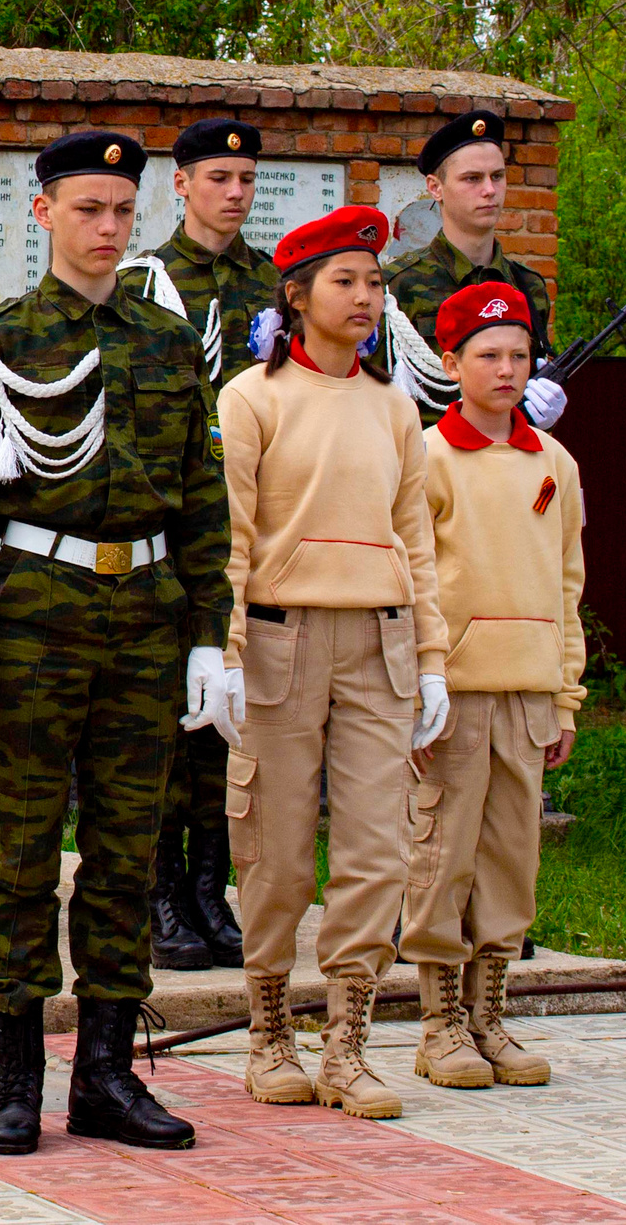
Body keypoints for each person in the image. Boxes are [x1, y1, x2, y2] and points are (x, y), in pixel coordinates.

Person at [0, 128, 233, 1157]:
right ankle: (15, 1078)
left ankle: (103, 1074)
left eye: (119, 211)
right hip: (40, 615)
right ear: (44, 213)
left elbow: (200, 500)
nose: (106, 228)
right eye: (86, 209)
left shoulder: (166, 342)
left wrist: (205, 637)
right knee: (19, 851)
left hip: (145, 613)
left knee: (124, 851)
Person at [199, 204, 451, 1118]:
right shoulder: (250, 398)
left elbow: (416, 539)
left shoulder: (395, 405)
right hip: (280, 640)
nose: (365, 297)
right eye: (346, 281)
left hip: (379, 639)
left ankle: (348, 1044)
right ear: (297, 294)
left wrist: (431, 657)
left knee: (378, 846)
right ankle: (269, 1032)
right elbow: (230, 534)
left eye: (376, 283)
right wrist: (223, 652)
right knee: (271, 850)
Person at [402, 282, 586, 1090]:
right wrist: (421, 686)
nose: (507, 369)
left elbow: (568, 582)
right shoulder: (428, 459)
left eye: (519, 355)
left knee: (513, 858)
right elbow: (411, 583)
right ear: (451, 363)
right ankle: (438, 1021)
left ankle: (491, 1015)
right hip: (456, 692)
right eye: (488, 355)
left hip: (530, 688)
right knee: (444, 854)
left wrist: (567, 693)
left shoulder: (556, 463)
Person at [122, 117, 276, 973]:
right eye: (218, 177)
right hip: (171, 521)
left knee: (226, 717)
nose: (234, 193)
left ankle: (210, 890)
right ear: (180, 184)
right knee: (166, 717)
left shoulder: (274, 281)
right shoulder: (149, 280)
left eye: (246, 180)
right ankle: (159, 892)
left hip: (248, 522)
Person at [383, 109, 565, 430]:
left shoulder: (526, 286)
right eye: (472, 179)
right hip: (428, 466)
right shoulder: (397, 286)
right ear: (435, 187)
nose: (490, 190)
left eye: (497, 176)